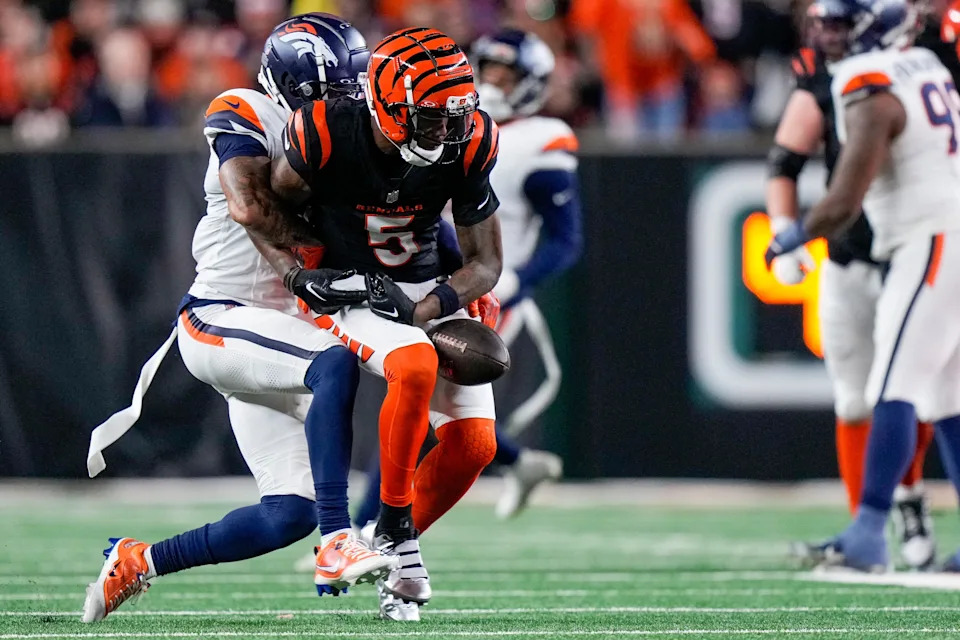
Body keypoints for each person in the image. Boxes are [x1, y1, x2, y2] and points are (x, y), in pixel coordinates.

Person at [80, 14, 395, 624]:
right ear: (291, 87)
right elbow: (250, 206)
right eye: (330, 93)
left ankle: (138, 561)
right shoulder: (244, 107)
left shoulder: (346, 130)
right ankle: (338, 539)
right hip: (221, 317)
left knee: (287, 513)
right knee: (335, 365)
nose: (341, 105)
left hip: (276, 333)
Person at [269, 26, 503, 620]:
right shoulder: (324, 132)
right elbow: (277, 211)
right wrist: (310, 276)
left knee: (475, 445)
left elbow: (487, 261)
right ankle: (400, 534)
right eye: (432, 118)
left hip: (420, 285)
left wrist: (437, 303)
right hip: (349, 287)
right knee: (414, 362)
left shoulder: (469, 141)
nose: (447, 132)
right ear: (388, 108)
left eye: (456, 116)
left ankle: (381, 537)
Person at [765, 0, 960, 572]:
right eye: (823, 22)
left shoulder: (867, 83)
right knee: (945, 398)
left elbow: (845, 199)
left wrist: (791, 236)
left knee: (893, 385)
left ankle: (870, 529)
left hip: (928, 240)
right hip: (939, 232)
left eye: (841, 24)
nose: (827, 34)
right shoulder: (925, 62)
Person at [472, 28, 581, 518]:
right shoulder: (451, 123)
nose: (492, 81)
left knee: (424, 401)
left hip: (487, 291)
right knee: (437, 410)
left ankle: (369, 530)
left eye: (505, 72)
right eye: (487, 68)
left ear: (531, 83)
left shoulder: (541, 140)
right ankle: (519, 462)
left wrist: (516, 280)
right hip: (433, 282)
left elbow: (566, 240)